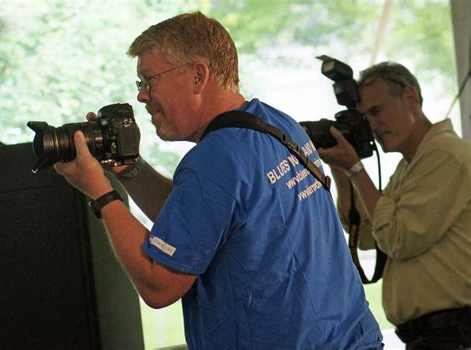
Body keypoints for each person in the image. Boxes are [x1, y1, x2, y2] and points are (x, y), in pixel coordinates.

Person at [54, 11, 383, 349]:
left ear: (198, 75)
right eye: (140, 84)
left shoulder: (214, 159)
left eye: (150, 80)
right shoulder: (277, 124)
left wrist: (101, 192)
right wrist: (130, 169)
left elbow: (158, 284)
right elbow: (200, 220)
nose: (142, 96)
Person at [317, 62, 471, 349]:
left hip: (454, 333)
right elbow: (365, 235)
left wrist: (355, 169)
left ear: (410, 98)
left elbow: (398, 239)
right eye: (364, 117)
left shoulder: (445, 156)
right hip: (433, 336)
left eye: (376, 111)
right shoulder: (410, 167)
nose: (372, 126)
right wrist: (339, 167)